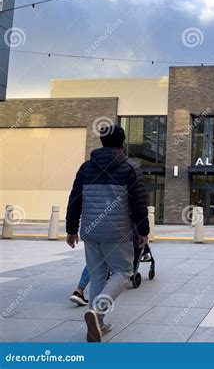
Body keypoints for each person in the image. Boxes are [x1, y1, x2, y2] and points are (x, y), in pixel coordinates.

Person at [66, 125, 149, 342]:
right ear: (123, 144)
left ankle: (98, 325)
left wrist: (71, 229)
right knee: (123, 271)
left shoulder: (86, 168)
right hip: (117, 231)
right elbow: (139, 204)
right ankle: (97, 312)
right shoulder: (129, 168)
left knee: (97, 276)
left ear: (102, 142)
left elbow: (74, 199)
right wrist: (143, 231)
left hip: (90, 232)